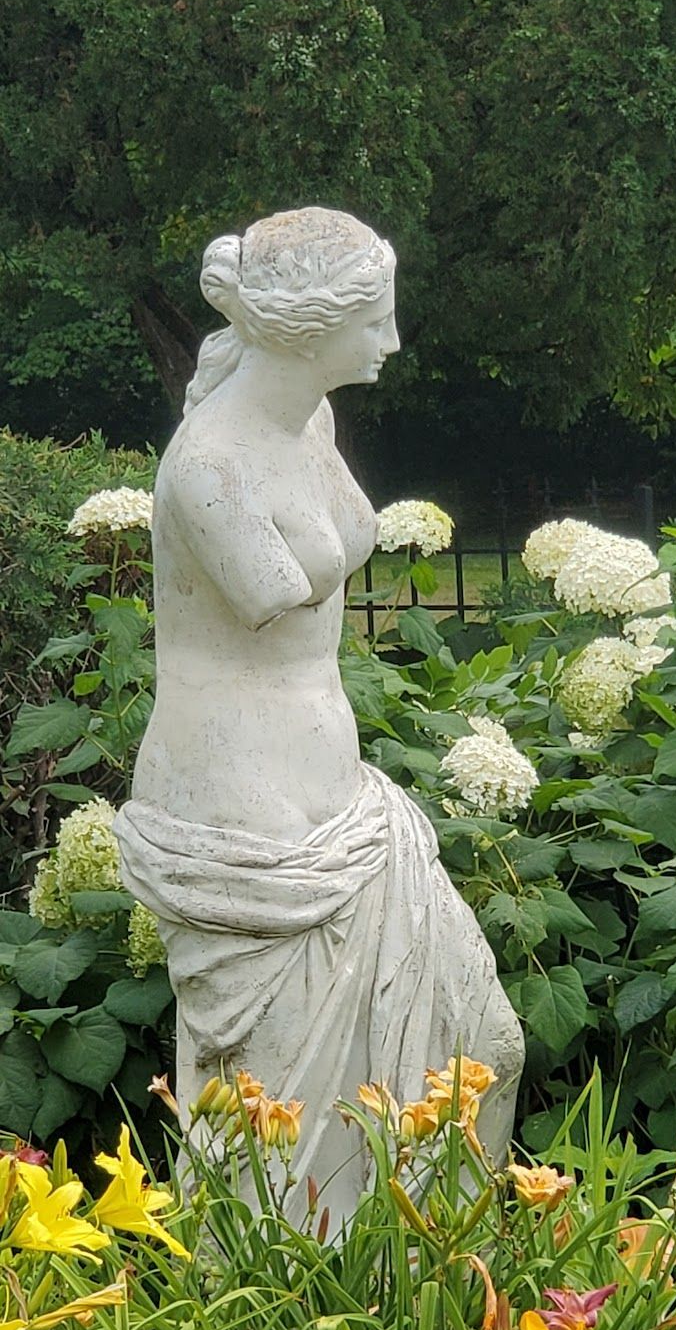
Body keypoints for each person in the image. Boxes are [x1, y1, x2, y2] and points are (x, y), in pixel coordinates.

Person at [116, 206, 524, 1225]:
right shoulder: (207, 465)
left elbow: (326, 550)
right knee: (277, 1145)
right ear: (308, 327)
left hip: (340, 803)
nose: (390, 341)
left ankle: (423, 1292)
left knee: (484, 1047)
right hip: (248, 821)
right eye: (375, 318)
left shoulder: (311, 424)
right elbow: (273, 589)